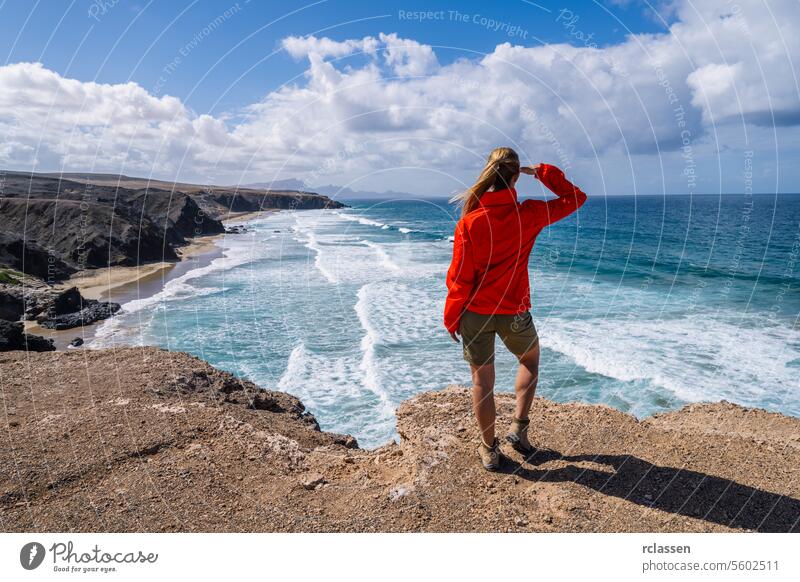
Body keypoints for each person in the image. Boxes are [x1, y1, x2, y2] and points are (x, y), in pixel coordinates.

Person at [444, 147, 587, 471]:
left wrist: (452, 316)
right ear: (513, 176)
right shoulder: (529, 214)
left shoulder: (470, 222)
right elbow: (575, 198)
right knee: (530, 361)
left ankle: (488, 450)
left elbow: (459, 277)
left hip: (475, 313)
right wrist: (542, 173)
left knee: (482, 383)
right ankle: (519, 430)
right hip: (515, 310)